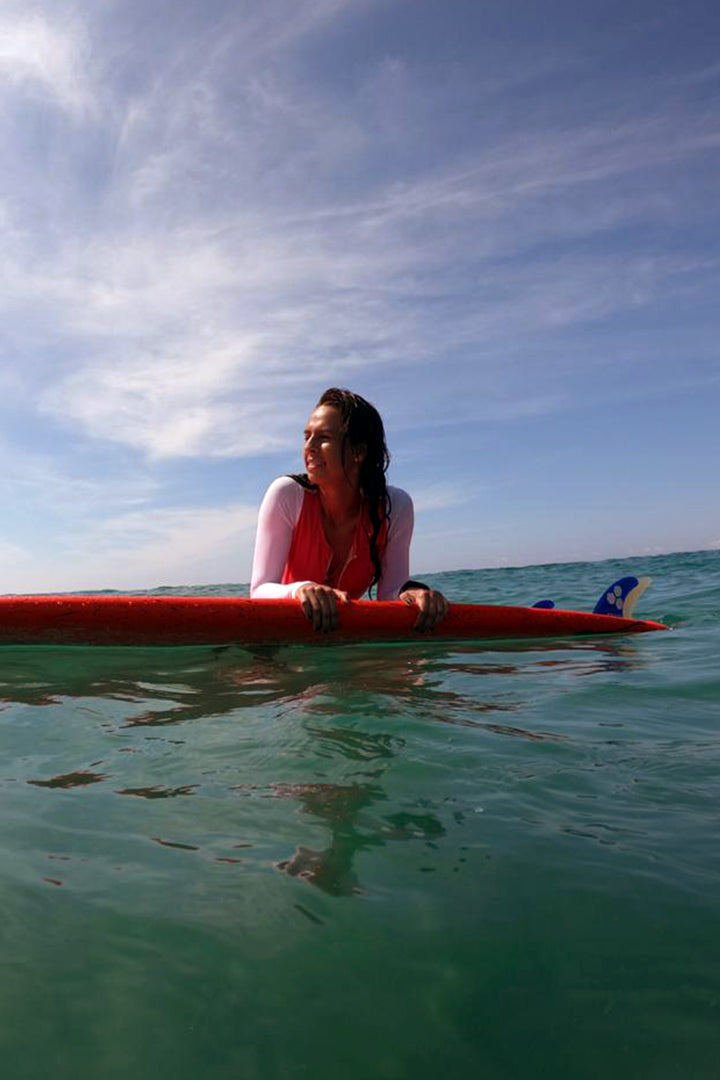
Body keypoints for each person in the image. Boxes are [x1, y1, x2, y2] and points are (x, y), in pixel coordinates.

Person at [250, 388, 448, 633]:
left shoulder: (395, 507)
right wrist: (300, 589)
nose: (309, 448)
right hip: (281, 634)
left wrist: (414, 594)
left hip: (341, 640)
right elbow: (259, 589)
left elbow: (389, 593)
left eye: (323, 438)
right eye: (307, 437)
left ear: (359, 452)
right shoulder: (287, 494)